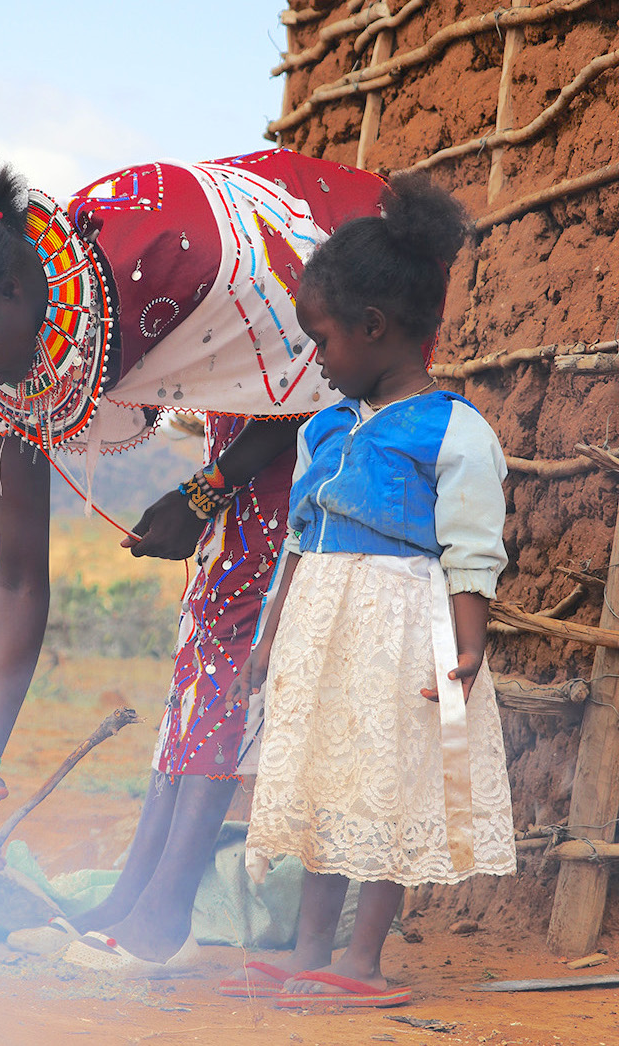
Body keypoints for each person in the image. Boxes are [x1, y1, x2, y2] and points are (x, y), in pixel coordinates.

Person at [0, 147, 388, 973]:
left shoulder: (189, 261)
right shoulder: (12, 362)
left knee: (239, 620)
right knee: (209, 620)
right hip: (253, 378)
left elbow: (328, 371)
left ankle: (164, 916)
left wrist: (209, 490)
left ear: (8, 292)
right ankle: (136, 895)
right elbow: (18, 576)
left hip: (338, 330)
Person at [223, 172, 516, 1007]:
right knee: (328, 780)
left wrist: (466, 649)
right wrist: (274, 639)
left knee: (386, 789)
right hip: (326, 632)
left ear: (375, 328)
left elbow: (471, 549)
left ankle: (359, 961)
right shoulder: (325, 428)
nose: (317, 359)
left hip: (402, 635)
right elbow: (300, 545)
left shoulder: (453, 430)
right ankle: (310, 947)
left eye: (322, 340)